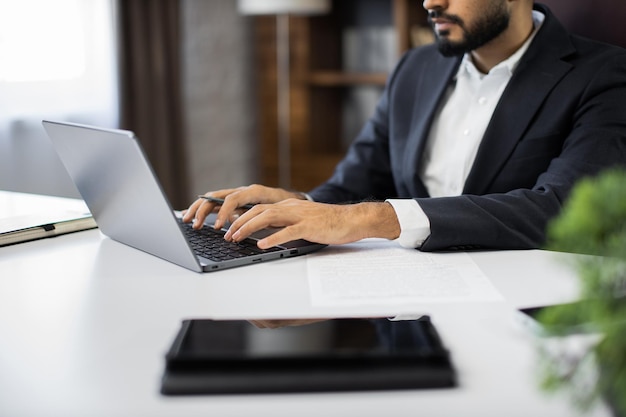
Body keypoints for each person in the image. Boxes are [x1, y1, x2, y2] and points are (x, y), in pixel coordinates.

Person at [183, 0, 626, 253]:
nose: (430, 2)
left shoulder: (605, 75)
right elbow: (352, 186)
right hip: (402, 318)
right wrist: (298, 205)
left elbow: (559, 211)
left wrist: (376, 217)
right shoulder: (414, 69)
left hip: (522, 324)